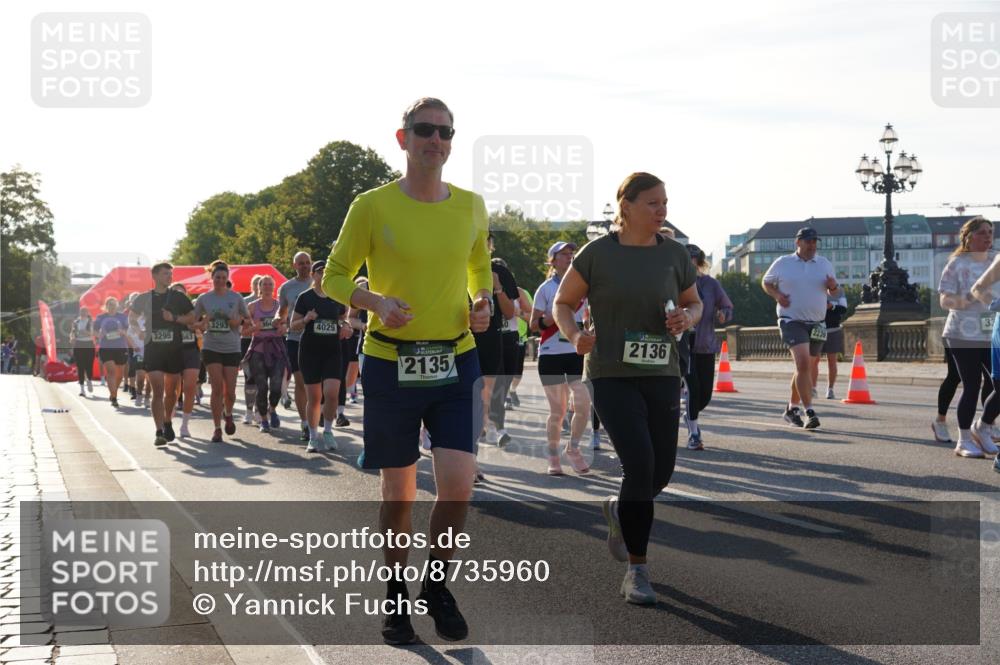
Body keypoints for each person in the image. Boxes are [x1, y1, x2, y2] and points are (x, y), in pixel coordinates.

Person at [322, 97, 492, 645]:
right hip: (391, 362)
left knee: (459, 486)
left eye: (445, 132)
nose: (436, 140)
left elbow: (478, 264)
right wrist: (372, 302)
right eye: (425, 130)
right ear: (403, 138)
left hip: (456, 358)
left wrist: (482, 297)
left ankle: (436, 585)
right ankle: (396, 595)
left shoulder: (470, 205)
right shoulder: (371, 206)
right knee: (399, 492)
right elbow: (334, 275)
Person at [555, 171, 701, 604]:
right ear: (627, 206)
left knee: (661, 471)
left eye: (665, 202)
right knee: (639, 466)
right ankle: (637, 569)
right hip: (609, 371)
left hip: (662, 371)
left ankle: (622, 510)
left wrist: (687, 318)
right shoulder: (597, 253)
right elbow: (564, 303)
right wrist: (573, 335)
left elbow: (695, 301)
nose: (662, 210)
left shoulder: (674, 254)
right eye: (653, 203)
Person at [761, 227, 839, 430]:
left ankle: (791, 408)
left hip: (817, 323)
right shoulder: (783, 263)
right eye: (808, 241)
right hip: (791, 320)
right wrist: (778, 296)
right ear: (798, 243)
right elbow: (766, 282)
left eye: (814, 241)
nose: (812, 245)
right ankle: (809, 412)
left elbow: (837, 293)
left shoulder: (824, 264)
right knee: (803, 363)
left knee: (805, 368)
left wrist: (833, 286)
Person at [940, 216, 1000, 457]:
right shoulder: (957, 263)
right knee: (972, 384)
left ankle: (983, 427)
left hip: (990, 332)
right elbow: (944, 300)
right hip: (962, 333)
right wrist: (964, 302)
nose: (988, 236)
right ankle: (964, 439)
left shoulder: (995, 259)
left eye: (990, 232)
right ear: (968, 237)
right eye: (982, 232)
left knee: (997, 385)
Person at [532, 241, 591, 475]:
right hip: (551, 354)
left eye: (571, 254)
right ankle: (553, 457)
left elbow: (587, 318)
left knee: (584, 406)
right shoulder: (545, 289)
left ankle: (573, 449)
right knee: (558, 410)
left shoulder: (583, 288)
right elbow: (534, 325)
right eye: (564, 254)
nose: (569, 257)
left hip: (576, 353)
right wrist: (559, 315)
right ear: (553, 260)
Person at [130, 263, 196, 446]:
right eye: (166, 273)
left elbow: (192, 317)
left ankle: (168, 420)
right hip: (153, 349)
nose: (170, 277)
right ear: (155, 276)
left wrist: (174, 319)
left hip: (174, 349)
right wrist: (139, 331)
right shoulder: (143, 298)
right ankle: (159, 431)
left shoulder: (178, 297)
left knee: (171, 391)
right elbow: (132, 318)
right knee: (157, 390)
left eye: (171, 273)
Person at [291, 260, 351, 451]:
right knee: (315, 397)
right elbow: (293, 325)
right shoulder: (305, 297)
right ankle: (313, 436)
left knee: (332, 394)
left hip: (332, 351)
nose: (322, 275)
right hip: (310, 352)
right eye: (319, 271)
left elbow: (343, 319)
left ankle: (328, 431)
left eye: (326, 272)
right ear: (313, 275)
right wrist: (307, 318)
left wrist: (345, 326)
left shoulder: (336, 297)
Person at [683, 244, 733, 449]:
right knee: (693, 388)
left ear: (699, 262)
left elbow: (727, 306)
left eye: (694, 260)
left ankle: (690, 415)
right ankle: (694, 433)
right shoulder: (673, 283)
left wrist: (723, 314)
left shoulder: (710, 284)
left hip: (705, 344)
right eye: (687, 259)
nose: (690, 263)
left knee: (705, 395)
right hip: (683, 345)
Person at [194, 261, 250, 443]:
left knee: (231, 392)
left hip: (232, 347)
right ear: (212, 278)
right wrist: (203, 323)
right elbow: (194, 323)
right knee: (217, 388)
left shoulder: (236, 298)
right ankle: (217, 428)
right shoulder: (204, 299)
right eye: (217, 277)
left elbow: (248, 320)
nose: (220, 281)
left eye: (224, 278)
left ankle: (229, 413)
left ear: (228, 279)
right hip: (211, 347)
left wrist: (239, 321)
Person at [244, 275, 289, 433]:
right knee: (261, 387)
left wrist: (283, 329)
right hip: (258, 349)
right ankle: (263, 420)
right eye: (265, 284)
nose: (268, 287)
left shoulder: (280, 306)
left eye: (271, 284)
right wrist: (255, 327)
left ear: (274, 287)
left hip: (276, 349)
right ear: (260, 287)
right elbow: (243, 331)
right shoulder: (252, 307)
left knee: (276, 387)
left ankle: (272, 409)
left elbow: (285, 327)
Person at [279, 252, 314, 442]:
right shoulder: (287, 287)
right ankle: (305, 424)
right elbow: (282, 310)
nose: (305, 266)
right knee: (301, 383)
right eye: (301, 263)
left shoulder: (319, 283)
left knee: (318, 385)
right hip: (295, 339)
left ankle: (316, 417)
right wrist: (279, 318)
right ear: (294, 265)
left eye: (307, 263)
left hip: (318, 340)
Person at [170, 282, 202, 438]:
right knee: (173, 390)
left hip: (191, 351)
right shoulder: (166, 312)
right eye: (175, 292)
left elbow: (202, 325)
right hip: (172, 353)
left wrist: (196, 325)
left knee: (189, 387)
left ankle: (184, 425)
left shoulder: (193, 310)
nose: (179, 295)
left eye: (181, 293)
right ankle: (168, 419)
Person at [810, 288, 848, 400]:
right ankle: (813, 388)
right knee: (814, 360)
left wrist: (832, 306)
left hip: (834, 329)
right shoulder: (816, 290)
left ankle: (830, 389)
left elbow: (843, 309)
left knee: (832, 361)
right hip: (818, 329)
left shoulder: (839, 292)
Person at [95, 297, 129, 408]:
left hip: (120, 347)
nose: (112, 307)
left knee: (119, 375)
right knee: (111, 372)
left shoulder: (123, 317)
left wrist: (122, 331)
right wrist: (99, 334)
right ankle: (113, 397)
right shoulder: (100, 318)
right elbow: (94, 330)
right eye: (110, 304)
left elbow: (129, 330)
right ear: (106, 306)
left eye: (114, 305)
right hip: (106, 347)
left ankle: (114, 393)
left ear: (117, 306)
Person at [241, 274, 263, 425]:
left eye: (260, 283)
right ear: (252, 285)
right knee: (250, 378)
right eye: (256, 283)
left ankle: (259, 410)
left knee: (262, 378)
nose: (258, 286)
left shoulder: (271, 304)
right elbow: (242, 325)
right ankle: (249, 410)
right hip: (248, 342)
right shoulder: (246, 302)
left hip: (264, 343)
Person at [69, 306, 96, 396]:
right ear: (79, 313)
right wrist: (72, 338)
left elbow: (92, 333)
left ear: (88, 313)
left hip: (88, 344)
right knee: (80, 366)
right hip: (79, 344)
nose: (83, 313)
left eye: (85, 311)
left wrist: (85, 332)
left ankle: (89, 380)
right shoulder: (76, 321)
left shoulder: (91, 321)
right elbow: (72, 332)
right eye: (82, 311)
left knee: (89, 365)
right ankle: (82, 389)